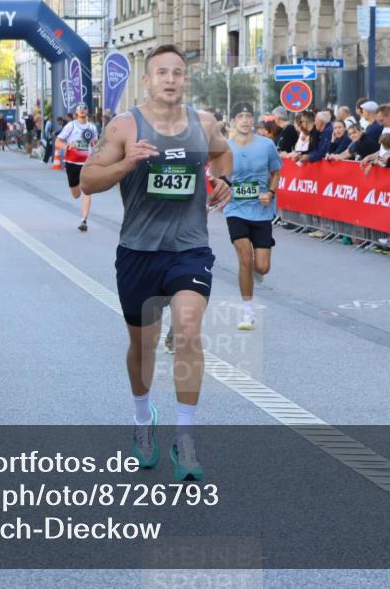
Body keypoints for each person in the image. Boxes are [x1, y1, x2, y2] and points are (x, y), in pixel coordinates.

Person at [79, 44, 232, 481]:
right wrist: (127, 162)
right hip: (139, 252)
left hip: (189, 249)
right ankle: (143, 422)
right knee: (142, 346)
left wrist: (222, 180)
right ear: (146, 81)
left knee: (187, 332)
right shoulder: (126, 125)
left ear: (186, 79)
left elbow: (222, 154)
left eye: (178, 73)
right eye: (161, 72)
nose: (170, 79)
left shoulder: (204, 123)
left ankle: (184, 438)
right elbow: (88, 178)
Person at [222, 102, 281, 330]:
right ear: (234, 121)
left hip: (262, 210)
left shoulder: (267, 145)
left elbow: (276, 172)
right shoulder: (226, 148)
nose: (245, 120)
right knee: (245, 257)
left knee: (262, 267)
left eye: (248, 116)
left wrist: (271, 192)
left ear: (253, 120)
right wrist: (223, 187)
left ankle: (257, 273)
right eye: (240, 116)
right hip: (235, 209)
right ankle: (247, 312)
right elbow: (217, 175)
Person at [56, 102, 100, 231]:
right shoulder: (71, 126)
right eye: (79, 109)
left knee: (87, 191)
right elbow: (58, 142)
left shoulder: (92, 127)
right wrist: (68, 147)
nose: (82, 110)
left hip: (87, 164)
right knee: (76, 194)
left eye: (84, 108)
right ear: (76, 112)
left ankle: (84, 220)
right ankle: (79, 187)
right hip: (72, 163)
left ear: (87, 111)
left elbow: (96, 145)